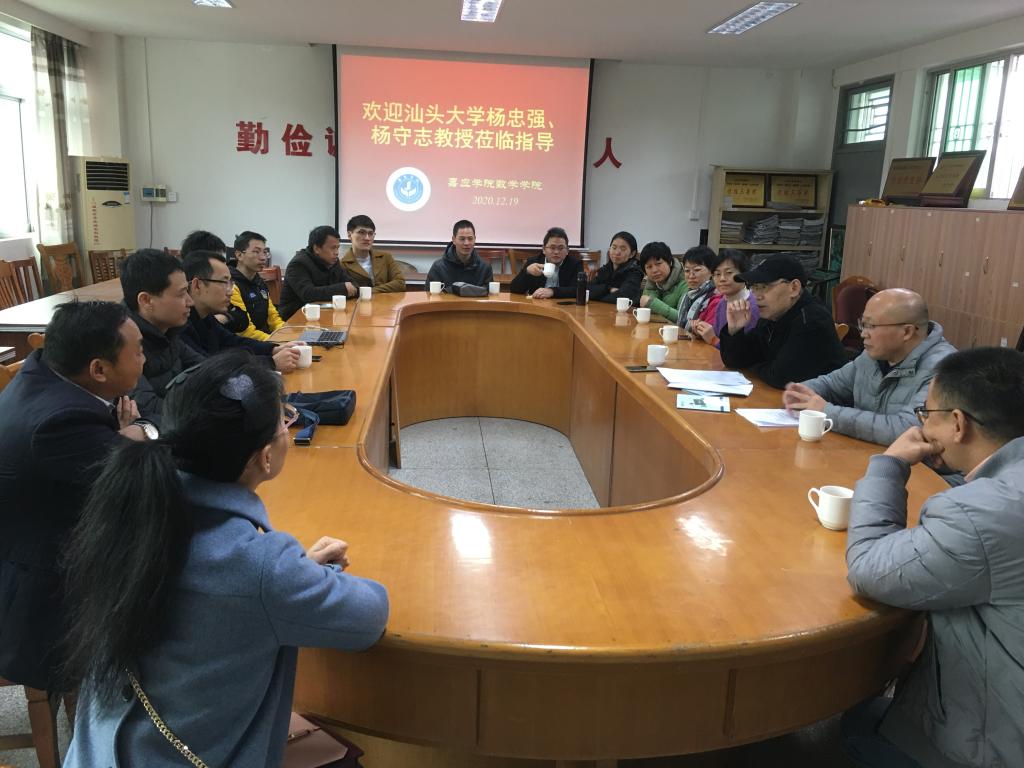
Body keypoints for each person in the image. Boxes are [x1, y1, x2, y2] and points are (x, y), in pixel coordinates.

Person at [61, 353, 389, 767]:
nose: (288, 428)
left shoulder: (129, 509)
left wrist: (288, 575)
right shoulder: (259, 565)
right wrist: (297, 575)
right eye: (285, 420)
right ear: (265, 457)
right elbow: (370, 614)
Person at [843, 347, 1024, 768]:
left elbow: (868, 568)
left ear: (958, 423)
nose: (922, 425)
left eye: (927, 413)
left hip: (995, 745)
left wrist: (888, 465)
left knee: (854, 721)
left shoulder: (981, 515)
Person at [0, 301, 148, 693]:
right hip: (44, 599)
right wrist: (137, 437)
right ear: (98, 369)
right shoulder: (60, 422)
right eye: (138, 352)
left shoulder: (43, 372)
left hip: (39, 542)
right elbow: (142, 482)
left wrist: (119, 439)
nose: (144, 359)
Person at [783, 289, 956, 445]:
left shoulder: (945, 369)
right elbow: (832, 384)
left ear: (907, 332)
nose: (863, 334)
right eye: (862, 324)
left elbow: (908, 430)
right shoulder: (873, 356)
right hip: (864, 452)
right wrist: (801, 392)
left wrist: (826, 411)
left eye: (871, 326)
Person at [718, 254, 847, 389]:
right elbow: (735, 361)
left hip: (823, 401)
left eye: (764, 286)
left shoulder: (812, 319)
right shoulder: (771, 317)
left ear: (794, 288)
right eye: (754, 287)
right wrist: (735, 331)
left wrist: (753, 365)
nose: (756, 296)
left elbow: (781, 378)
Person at [121, 248, 206, 426]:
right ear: (146, 301)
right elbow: (151, 410)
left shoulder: (167, 330)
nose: (190, 301)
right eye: (181, 294)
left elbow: (206, 368)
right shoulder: (122, 345)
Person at [180, 251, 300, 372]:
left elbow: (234, 342)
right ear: (197, 285)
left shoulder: (206, 318)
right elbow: (208, 369)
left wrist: (273, 349)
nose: (230, 291)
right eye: (224, 282)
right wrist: (271, 363)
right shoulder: (181, 326)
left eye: (230, 283)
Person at [278, 225, 357, 320]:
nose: (337, 252)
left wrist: (350, 288)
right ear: (316, 249)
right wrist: (342, 289)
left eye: (337, 248)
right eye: (333, 248)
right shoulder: (298, 264)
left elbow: (353, 285)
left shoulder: (333, 261)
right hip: (296, 318)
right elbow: (308, 294)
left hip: (325, 314)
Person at [690, 249, 758, 348]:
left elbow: (743, 351)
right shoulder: (723, 302)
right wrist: (702, 332)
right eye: (717, 274)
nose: (722, 279)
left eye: (729, 273)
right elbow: (718, 336)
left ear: (744, 274)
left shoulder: (753, 307)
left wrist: (713, 339)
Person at [228, 230, 285, 341]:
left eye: (265, 252)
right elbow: (245, 332)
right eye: (256, 252)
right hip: (245, 344)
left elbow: (273, 318)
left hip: (264, 339)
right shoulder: (230, 285)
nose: (263, 257)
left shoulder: (259, 282)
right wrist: (276, 342)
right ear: (239, 255)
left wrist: (287, 334)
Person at [509, 226, 583, 299]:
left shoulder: (575, 264)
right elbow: (514, 289)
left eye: (561, 248)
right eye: (552, 248)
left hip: (562, 304)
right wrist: (526, 272)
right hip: (537, 304)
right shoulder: (533, 262)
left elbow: (579, 289)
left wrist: (552, 291)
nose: (556, 252)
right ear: (544, 249)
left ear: (567, 251)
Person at [340, 214, 405, 293]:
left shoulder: (385, 257)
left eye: (370, 233)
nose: (367, 238)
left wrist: (370, 291)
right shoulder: (342, 264)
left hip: (386, 300)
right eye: (361, 232)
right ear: (349, 235)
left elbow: (400, 283)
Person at [426, 219, 494, 289]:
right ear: (454, 240)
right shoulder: (439, 267)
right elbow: (429, 293)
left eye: (470, 239)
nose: (466, 243)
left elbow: (489, 294)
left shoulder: (485, 268)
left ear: (475, 239)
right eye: (462, 239)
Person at [588, 231, 643, 305]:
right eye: (614, 248)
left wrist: (598, 296)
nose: (617, 252)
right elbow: (587, 290)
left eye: (623, 249)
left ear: (632, 254)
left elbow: (623, 298)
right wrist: (609, 289)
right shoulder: (606, 269)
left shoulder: (635, 272)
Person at [638, 242, 686, 322]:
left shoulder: (686, 283)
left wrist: (652, 303)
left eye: (658, 264)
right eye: (649, 267)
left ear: (670, 262)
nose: (654, 270)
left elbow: (682, 318)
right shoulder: (650, 284)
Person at [676, 245, 717, 332]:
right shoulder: (688, 294)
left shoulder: (715, 297)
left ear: (712, 271)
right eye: (687, 271)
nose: (691, 276)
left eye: (697, 270)